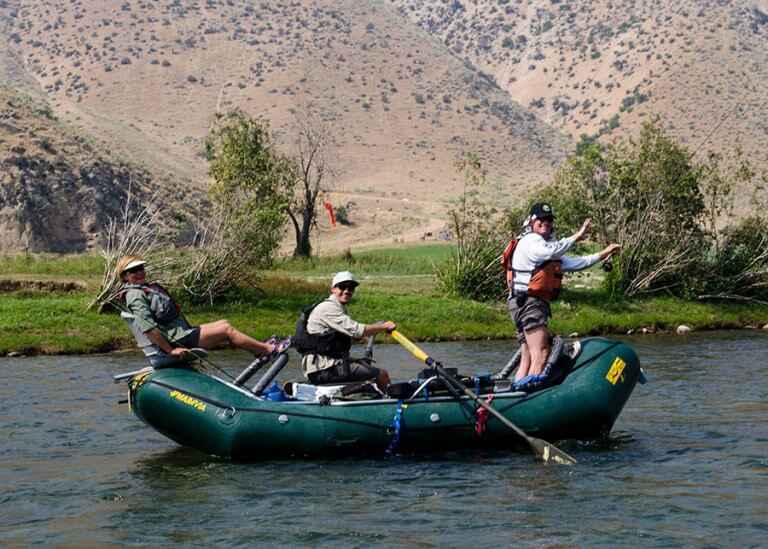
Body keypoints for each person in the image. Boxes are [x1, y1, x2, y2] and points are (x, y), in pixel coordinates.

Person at [507, 202, 621, 382]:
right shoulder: (532, 241)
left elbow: (575, 263)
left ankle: (516, 393)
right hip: (530, 304)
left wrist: (602, 254)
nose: (545, 223)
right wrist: (577, 236)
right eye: (541, 219)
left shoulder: (542, 246)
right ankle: (527, 396)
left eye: (549, 220)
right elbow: (553, 251)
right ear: (531, 222)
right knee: (541, 354)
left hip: (522, 303)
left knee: (527, 355)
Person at [116, 255, 288, 358]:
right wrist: (170, 351)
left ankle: (259, 349)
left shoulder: (143, 288)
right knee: (226, 330)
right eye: (133, 271)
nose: (139, 272)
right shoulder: (135, 295)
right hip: (178, 339)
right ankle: (267, 350)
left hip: (181, 333)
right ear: (124, 276)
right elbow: (148, 327)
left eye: (141, 268)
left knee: (224, 322)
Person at [295, 271, 394, 389]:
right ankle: (393, 405)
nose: (347, 291)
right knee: (381, 375)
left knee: (366, 378)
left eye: (351, 288)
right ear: (333, 289)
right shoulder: (328, 308)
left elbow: (328, 348)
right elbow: (358, 332)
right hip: (325, 369)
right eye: (342, 287)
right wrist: (385, 327)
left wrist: (355, 361)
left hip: (323, 367)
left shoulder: (333, 307)